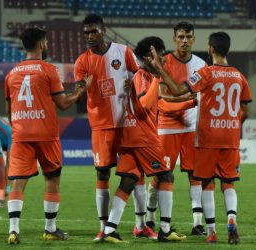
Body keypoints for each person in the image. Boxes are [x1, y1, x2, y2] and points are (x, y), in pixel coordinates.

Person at [149, 31, 252, 244]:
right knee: (229, 183)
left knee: (206, 183)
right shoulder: (239, 76)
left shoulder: (205, 73)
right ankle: (231, 220)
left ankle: (212, 231)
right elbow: (246, 110)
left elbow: (177, 90)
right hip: (231, 139)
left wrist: (160, 69)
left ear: (211, 48)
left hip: (207, 138)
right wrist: (233, 125)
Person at [5, 27, 91, 244]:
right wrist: (82, 90)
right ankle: (50, 228)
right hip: (46, 134)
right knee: (52, 177)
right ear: (42, 44)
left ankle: (13, 230)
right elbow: (62, 103)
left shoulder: (11, 74)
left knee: (18, 181)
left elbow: (9, 110)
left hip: (21, 133)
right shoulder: (49, 70)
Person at [73, 14, 154, 241]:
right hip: (101, 126)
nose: (90, 36)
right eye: (86, 33)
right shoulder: (82, 62)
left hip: (127, 123)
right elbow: (79, 94)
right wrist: (82, 88)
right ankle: (104, 226)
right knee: (102, 172)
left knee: (136, 173)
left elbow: (140, 74)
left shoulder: (123, 51)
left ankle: (140, 225)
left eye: (93, 31)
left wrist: (134, 81)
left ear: (103, 30)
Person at [101, 36, 187, 243]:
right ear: (151, 56)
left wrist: (188, 103)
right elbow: (145, 105)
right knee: (166, 176)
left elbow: (157, 104)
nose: (165, 59)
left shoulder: (142, 76)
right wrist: (157, 77)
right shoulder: (143, 76)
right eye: (162, 54)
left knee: (128, 181)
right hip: (143, 137)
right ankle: (165, 229)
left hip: (132, 136)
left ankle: (110, 230)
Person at [146, 21, 207, 236]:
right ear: (174, 39)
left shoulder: (200, 64)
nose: (184, 41)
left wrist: (179, 98)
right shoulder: (164, 62)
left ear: (193, 39)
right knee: (161, 175)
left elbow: (197, 97)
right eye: (180, 37)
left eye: (188, 37)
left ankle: (197, 223)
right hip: (166, 128)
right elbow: (161, 102)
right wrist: (189, 100)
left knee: (195, 176)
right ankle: (150, 217)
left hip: (191, 129)